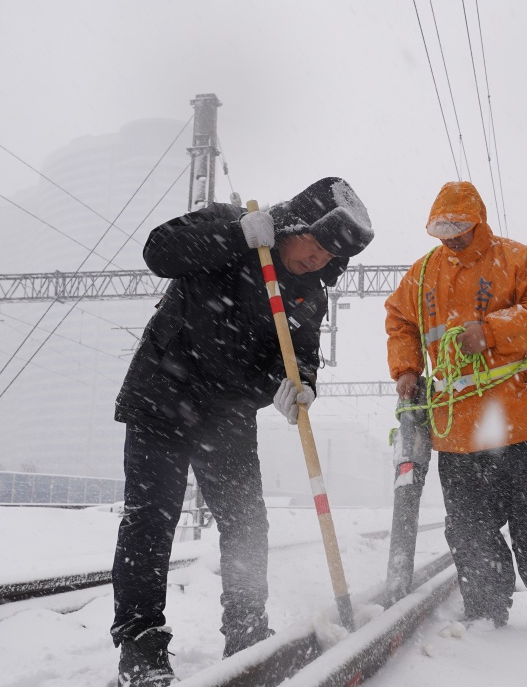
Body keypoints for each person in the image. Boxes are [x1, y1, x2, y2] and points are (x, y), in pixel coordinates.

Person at [112, 177, 373, 685]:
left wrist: (301, 385)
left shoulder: (308, 293)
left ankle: (247, 633)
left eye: (328, 255)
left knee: (247, 524)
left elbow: (301, 358)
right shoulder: (232, 225)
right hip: (164, 395)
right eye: (314, 245)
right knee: (150, 522)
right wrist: (236, 237)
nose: (318, 259)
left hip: (227, 412)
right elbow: (159, 252)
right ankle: (140, 646)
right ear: (292, 226)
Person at [384, 180, 527, 632]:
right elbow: (400, 322)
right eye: (442, 230)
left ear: (479, 222)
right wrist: (407, 369)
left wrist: (490, 331)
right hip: (458, 430)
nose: (450, 237)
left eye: (459, 228)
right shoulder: (422, 274)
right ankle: (485, 614)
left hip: (523, 418)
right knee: (470, 530)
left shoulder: (518, 259)